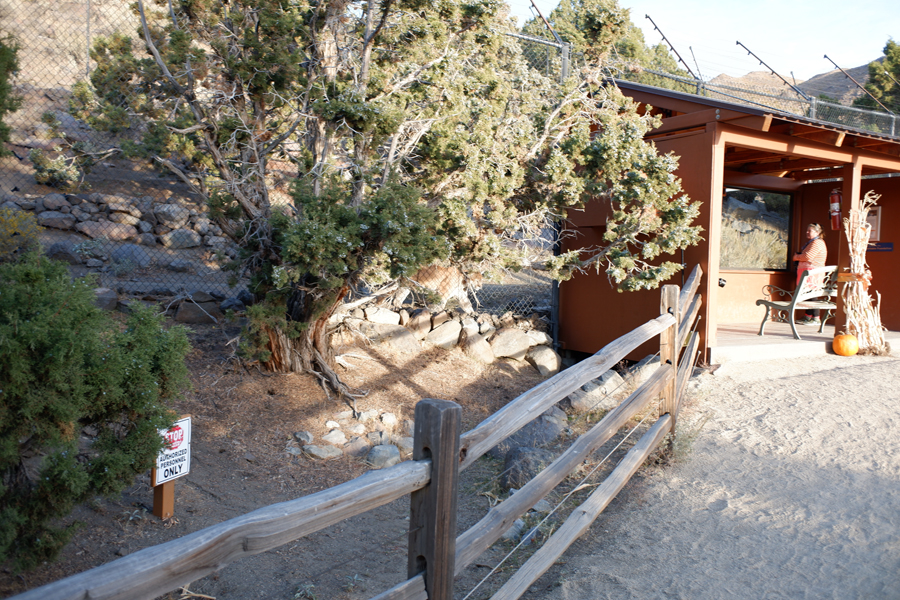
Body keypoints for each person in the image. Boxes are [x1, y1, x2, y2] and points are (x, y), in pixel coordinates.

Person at [792, 223, 827, 325]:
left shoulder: (817, 243)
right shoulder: (812, 242)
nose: (807, 232)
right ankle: (808, 316)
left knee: (812, 294)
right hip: (809, 273)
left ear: (817, 232)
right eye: (807, 230)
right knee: (808, 294)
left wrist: (796, 257)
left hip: (813, 274)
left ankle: (816, 318)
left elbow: (807, 257)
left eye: (810, 230)